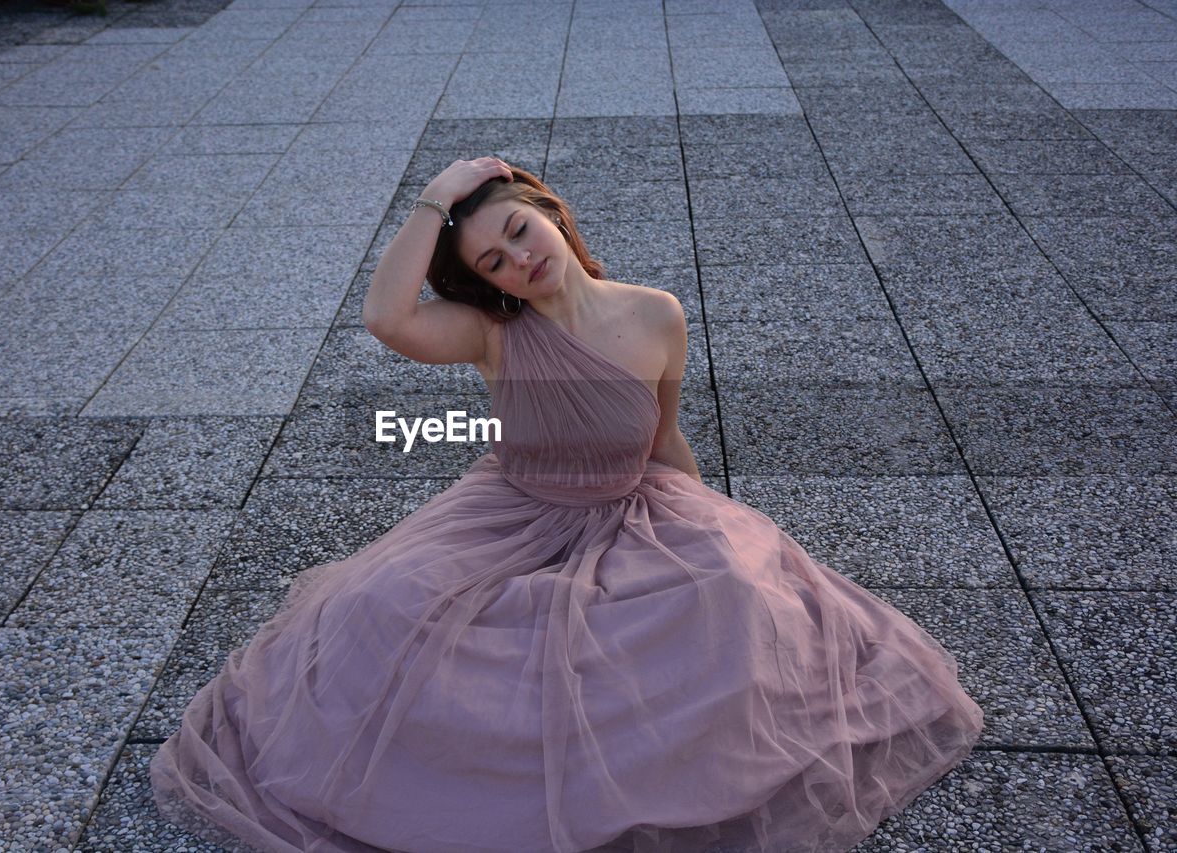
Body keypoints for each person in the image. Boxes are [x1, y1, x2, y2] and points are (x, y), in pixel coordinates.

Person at [149, 157, 985, 853]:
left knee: (726, 600)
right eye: (492, 263)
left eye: (519, 231)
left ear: (551, 211)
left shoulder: (654, 313)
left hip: (633, 506)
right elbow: (384, 317)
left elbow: (662, 440)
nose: (518, 262)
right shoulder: (493, 332)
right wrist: (437, 198)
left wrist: (715, 530)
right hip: (512, 513)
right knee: (383, 605)